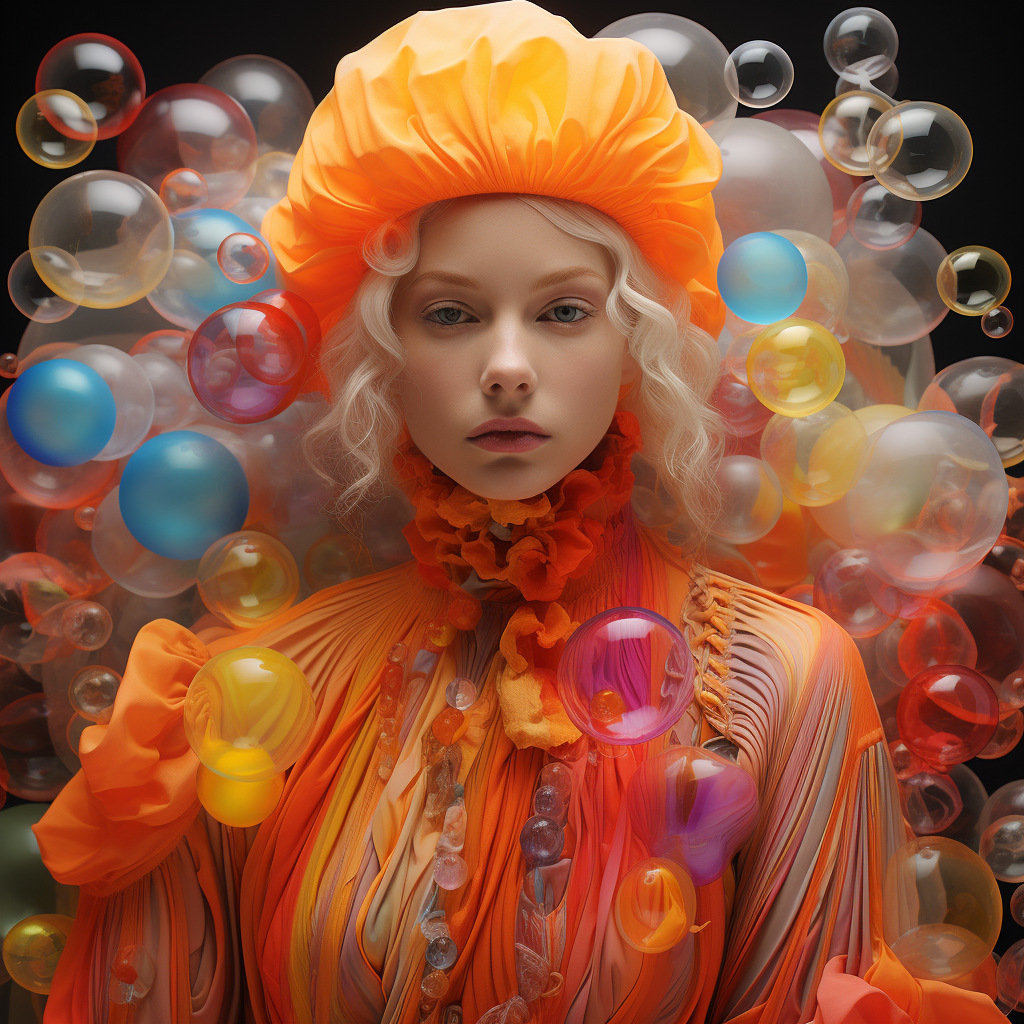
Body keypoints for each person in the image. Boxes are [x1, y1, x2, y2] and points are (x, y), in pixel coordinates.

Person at [30, 3, 1006, 1022]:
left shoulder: (781, 684)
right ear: (383, 354)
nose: (505, 367)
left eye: (562, 311)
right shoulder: (256, 686)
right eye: (450, 313)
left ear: (635, 346)